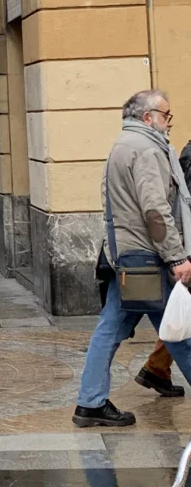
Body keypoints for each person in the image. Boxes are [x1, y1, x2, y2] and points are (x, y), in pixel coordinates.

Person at [73, 89, 191, 429]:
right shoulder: (146, 149)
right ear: (147, 117)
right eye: (166, 115)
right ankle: (90, 402)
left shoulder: (126, 144)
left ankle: (90, 402)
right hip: (145, 257)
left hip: (128, 255)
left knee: (112, 327)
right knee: (181, 331)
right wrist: (176, 256)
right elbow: (155, 209)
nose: (169, 122)